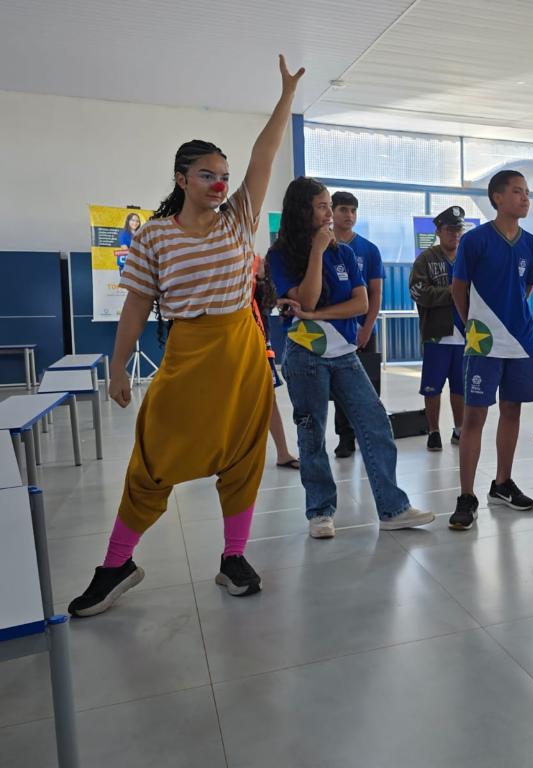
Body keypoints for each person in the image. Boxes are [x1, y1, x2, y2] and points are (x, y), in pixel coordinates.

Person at [68, 55, 304, 618]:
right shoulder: (154, 236)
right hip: (188, 353)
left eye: (223, 175)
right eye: (206, 175)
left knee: (244, 455)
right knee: (155, 456)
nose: (220, 183)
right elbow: (136, 304)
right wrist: (118, 367)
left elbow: (266, 155)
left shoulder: (238, 217)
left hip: (242, 351)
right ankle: (117, 564)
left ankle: (234, 557)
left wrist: (287, 97)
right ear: (181, 179)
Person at [268, 177, 434, 539]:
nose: (330, 214)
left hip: (345, 354)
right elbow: (306, 298)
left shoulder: (343, 252)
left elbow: (360, 304)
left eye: (330, 206)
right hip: (306, 355)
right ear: (303, 211)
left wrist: (317, 315)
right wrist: (316, 253)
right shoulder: (281, 255)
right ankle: (320, 511)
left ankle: (393, 508)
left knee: (375, 423)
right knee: (311, 432)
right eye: (322, 206)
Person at [448, 170, 533, 530]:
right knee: (474, 417)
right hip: (483, 342)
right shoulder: (475, 241)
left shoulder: (532, 244)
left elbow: (526, 290)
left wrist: (510, 321)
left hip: (520, 341)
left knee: (512, 411)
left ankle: (502, 483)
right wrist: (475, 326)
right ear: (497, 198)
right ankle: (466, 495)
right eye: (518, 191)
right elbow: (458, 289)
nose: (525, 198)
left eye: (527, 192)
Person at [329, 191, 383, 458]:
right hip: (333, 330)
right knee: (340, 387)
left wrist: (367, 328)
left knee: (367, 387)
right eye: (343, 209)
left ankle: (369, 435)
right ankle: (345, 437)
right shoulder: (321, 246)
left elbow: (376, 293)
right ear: (331, 211)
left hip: (362, 330)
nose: (349, 215)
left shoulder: (369, 250)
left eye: (353, 210)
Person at [408, 205, 466, 451]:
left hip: (466, 334)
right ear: (439, 232)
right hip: (436, 334)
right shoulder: (426, 259)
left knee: (460, 386)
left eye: (458, 230)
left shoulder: (467, 258)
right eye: (450, 230)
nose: (455, 234)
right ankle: (433, 431)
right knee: (432, 387)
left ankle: (460, 429)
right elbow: (417, 291)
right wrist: (451, 292)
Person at [252, 250, 299, 469]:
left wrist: (262, 278)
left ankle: (282, 453)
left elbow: (266, 302)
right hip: (234, 340)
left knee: (268, 398)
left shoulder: (256, 262)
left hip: (260, 340)